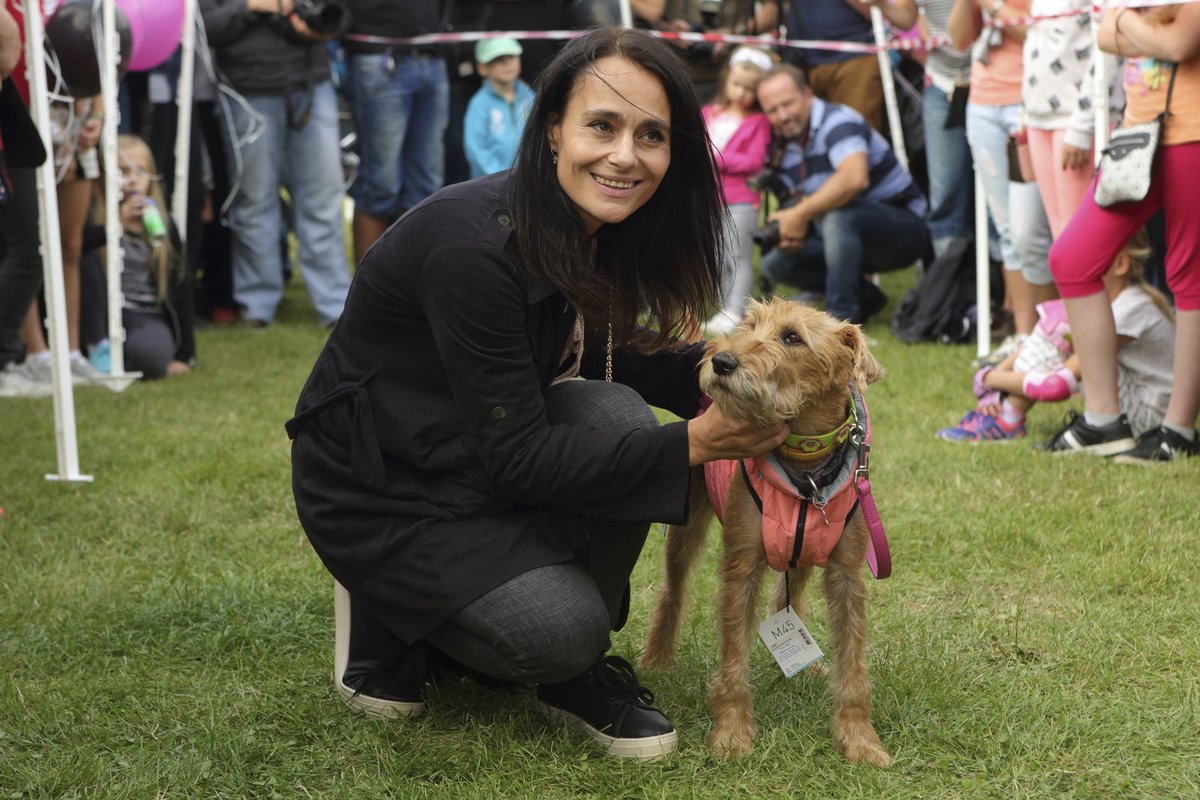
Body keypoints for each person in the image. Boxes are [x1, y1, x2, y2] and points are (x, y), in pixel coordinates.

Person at [287, 27, 791, 759]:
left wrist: (747, 385)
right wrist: (699, 442)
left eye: (651, 135)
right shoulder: (474, 247)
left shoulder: (595, 225)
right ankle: (390, 613)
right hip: (385, 486)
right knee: (560, 628)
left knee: (612, 411)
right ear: (552, 126)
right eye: (602, 125)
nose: (625, 155)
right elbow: (519, 461)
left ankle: (555, 664)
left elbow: (621, 355)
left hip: (470, 458)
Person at [1043, 3, 1200, 462]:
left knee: (1189, 278)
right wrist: (1137, 26)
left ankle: (1179, 430)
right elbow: (1104, 39)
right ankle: (1103, 421)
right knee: (1071, 259)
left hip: (1191, 135)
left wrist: (1123, 16)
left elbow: (1177, 43)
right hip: (1139, 138)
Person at [199, 0, 351, 329]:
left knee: (323, 198)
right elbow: (202, 26)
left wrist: (317, 25)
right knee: (254, 200)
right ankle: (258, 305)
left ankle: (336, 305)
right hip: (246, 91)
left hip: (313, 84)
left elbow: (340, 13)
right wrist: (253, 6)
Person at [938, 233, 1174, 442]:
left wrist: (990, 379)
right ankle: (1004, 411)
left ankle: (1007, 418)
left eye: (1084, 256)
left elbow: (1055, 386)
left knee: (1062, 333)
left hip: (1148, 421)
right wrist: (996, 377)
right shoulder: (1120, 302)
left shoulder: (1130, 309)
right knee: (1062, 328)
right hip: (1139, 411)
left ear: (1120, 263)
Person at [755, 64, 929, 324]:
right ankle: (867, 296)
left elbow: (854, 178)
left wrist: (800, 214)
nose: (782, 116)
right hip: (842, 233)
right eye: (772, 110)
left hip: (904, 228)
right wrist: (794, 232)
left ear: (808, 95)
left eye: (787, 104)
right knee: (775, 262)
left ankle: (840, 319)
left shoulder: (839, 120)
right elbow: (810, 206)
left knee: (838, 217)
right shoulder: (783, 148)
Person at [950, 0, 1054, 341]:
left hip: (1035, 102)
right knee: (1009, 230)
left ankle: (1052, 334)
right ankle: (1025, 339)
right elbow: (959, 40)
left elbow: (1044, 34)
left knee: (1036, 231)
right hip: (982, 104)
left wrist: (992, 5)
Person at [342, 0, 448, 264]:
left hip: (432, 54)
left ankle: (412, 292)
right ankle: (366, 298)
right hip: (378, 56)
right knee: (380, 184)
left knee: (426, 186)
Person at [84, 135, 195, 380]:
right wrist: (117, 224)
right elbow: (77, 251)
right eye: (123, 171)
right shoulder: (93, 214)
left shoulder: (164, 223)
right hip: (100, 313)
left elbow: (181, 286)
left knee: (152, 358)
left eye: (141, 171)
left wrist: (185, 353)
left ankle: (129, 357)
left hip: (145, 314)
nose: (132, 179)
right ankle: (99, 353)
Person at [1022, 0, 1122, 240]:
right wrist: (1025, 112)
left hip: (1078, 121)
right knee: (1060, 238)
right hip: (1039, 117)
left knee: (1081, 239)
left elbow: (1108, 50)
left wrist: (1081, 128)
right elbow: (1035, 45)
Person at [702, 46, 773, 333]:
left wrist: (715, 157)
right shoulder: (708, 112)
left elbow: (754, 160)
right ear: (726, 80)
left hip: (742, 198)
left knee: (738, 256)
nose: (742, 93)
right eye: (737, 85)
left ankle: (737, 311)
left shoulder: (759, 122)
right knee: (717, 255)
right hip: (710, 197)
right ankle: (723, 309)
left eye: (750, 89)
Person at [463, 37, 534, 179]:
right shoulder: (479, 104)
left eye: (511, 57)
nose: (507, 63)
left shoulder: (530, 96)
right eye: (498, 59)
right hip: (491, 186)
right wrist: (501, 178)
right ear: (482, 68)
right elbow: (476, 150)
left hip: (529, 181)